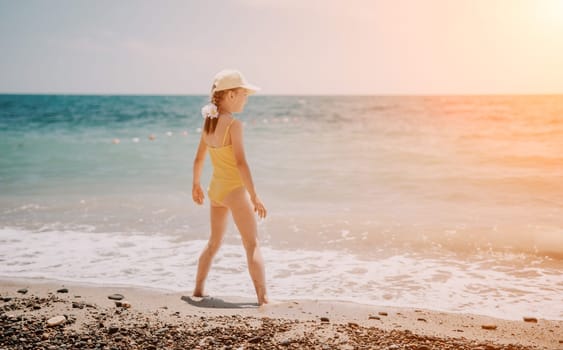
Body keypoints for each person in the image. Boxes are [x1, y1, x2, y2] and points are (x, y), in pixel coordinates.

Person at [191, 69, 268, 305]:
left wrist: (196, 184)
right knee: (252, 243)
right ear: (231, 95)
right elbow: (241, 162)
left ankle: (197, 290)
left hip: (216, 191)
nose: (246, 99)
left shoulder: (209, 124)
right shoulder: (233, 125)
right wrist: (254, 196)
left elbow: (199, 159)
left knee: (214, 243)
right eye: (244, 94)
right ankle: (263, 299)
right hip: (234, 191)